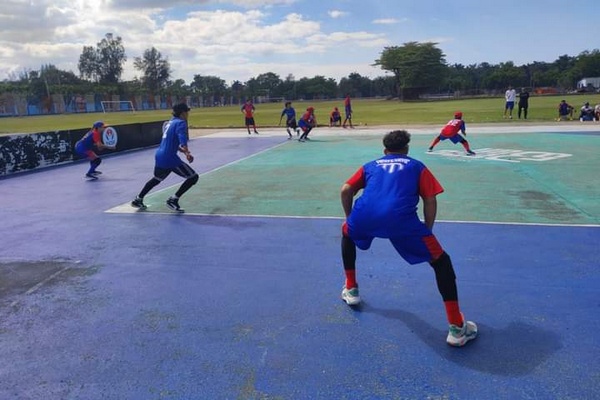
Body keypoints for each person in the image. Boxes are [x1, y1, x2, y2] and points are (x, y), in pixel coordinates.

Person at [340, 130, 478, 347]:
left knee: (347, 233)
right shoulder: (416, 165)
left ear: (385, 150)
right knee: (441, 262)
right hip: (401, 221)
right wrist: (427, 229)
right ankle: (457, 328)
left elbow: (346, 189)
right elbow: (430, 199)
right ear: (406, 149)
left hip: (364, 215)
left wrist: (351, 219)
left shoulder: (371, 165)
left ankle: (352, 289)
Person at [131, 103, 198, 212]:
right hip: (170, 158)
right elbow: (182, 138)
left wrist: (184, 152)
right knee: (193, 177)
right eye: (187, 111)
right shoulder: (181, 123)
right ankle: (173, 200)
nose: (188, 114)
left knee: (157, 179)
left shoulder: (170, 122)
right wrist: (187, 152)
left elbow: (171, 142)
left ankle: (138, 199)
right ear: (183, 113)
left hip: (160, 155)